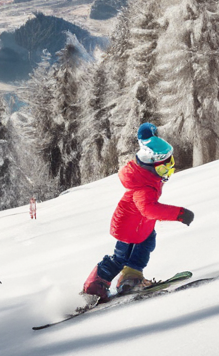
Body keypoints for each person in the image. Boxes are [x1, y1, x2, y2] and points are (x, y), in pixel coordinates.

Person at [80, 123, 194, 305]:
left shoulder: (147, 175)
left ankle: (130, 278)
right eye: (165, 168)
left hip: (140, 225)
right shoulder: (143, 186)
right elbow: (149, 209)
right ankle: (94, 285)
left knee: (146, 244)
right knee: (120, 258)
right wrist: (179, 214)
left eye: (170, 165)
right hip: (129, 227)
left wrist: (148, 134)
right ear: (152, 166)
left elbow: (144, 138)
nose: (169, 172)